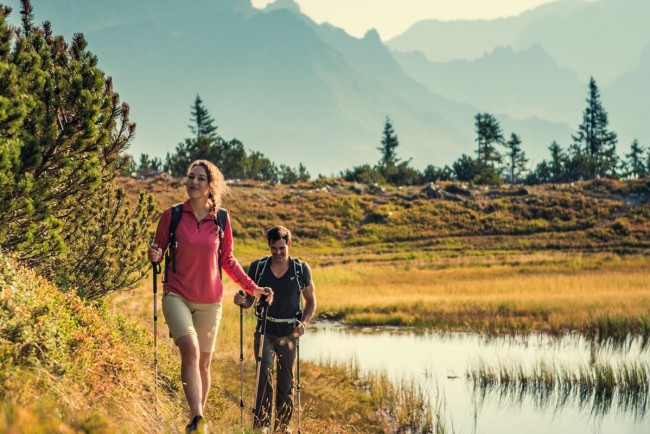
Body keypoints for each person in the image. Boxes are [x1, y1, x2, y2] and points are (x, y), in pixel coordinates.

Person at [148, 159, 273, 434]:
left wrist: (254, 289)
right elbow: (157, 249)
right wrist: (154, 254)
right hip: (176, 294)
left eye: (200, 178)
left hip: (210, 301)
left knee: (204, 362)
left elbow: (228, 260)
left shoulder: (222, 219)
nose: (193, 182)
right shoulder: (172, 215)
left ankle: (197, 423)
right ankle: (197, 418)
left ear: (210, 185)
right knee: (190, 351)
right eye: (190, 177)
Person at [234, 225, 317, 434]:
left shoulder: (300, 269)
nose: (278, 253)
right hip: (265, 331)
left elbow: (311, 302)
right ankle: (261, 425)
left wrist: (303, 324)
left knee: (286, 381)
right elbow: (249, 302)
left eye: (282, 248)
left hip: (289, 334)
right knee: (264, 374)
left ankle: (282, 427)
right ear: (269, 246)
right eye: (274, 248)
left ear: (289, 244)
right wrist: (242, 301)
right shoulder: (258, 267)